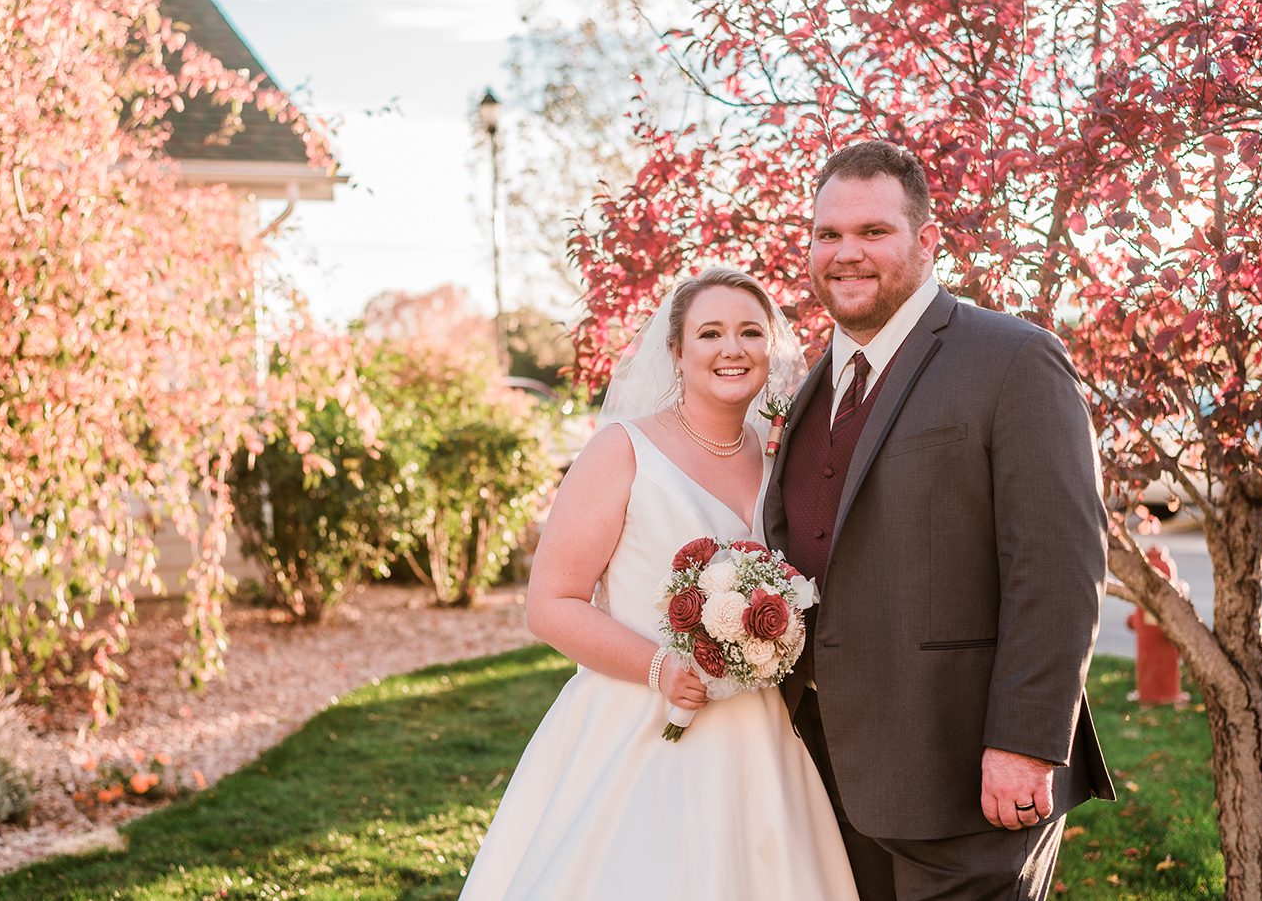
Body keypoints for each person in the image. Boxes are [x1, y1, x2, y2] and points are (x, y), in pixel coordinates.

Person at [764, 140, 1115, 899]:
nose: (845, 253)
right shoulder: (808, 388)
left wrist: (1024, 743)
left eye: (872, 232)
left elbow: (1059, 569)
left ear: (927, 242)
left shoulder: (1013, 358)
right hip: (828, 769)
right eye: (827, 234)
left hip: (966, 775)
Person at [460, 268, 859, 900]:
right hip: (640, 722)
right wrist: (660, 667)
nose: (733, 349)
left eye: (751, 332)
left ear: (771, 348)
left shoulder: (783, 460)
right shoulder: (622, 449)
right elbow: (550, 604)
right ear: (676, 350)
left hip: (760, 739)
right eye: (710, 333)